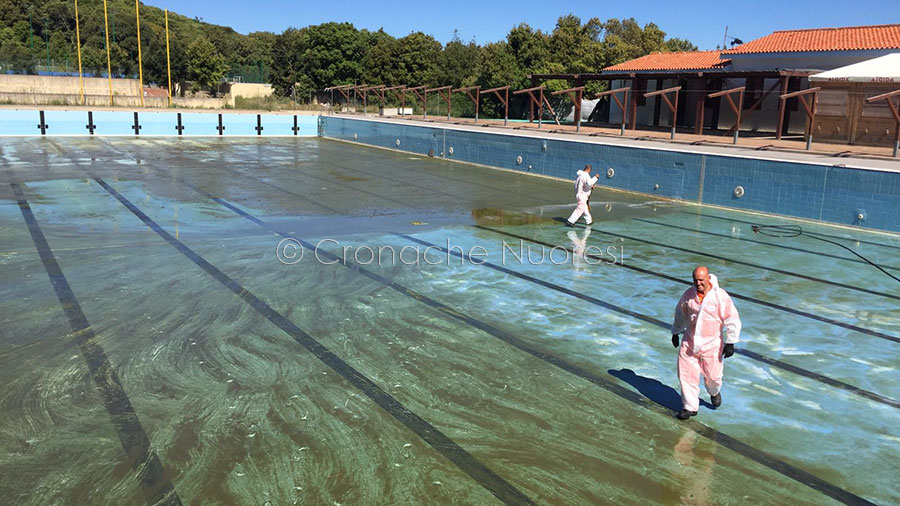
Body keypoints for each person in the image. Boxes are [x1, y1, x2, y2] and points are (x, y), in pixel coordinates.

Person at [671, 266, 741, 420]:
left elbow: (732, 318)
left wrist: (731, 341)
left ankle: (714, 392)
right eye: (695, 280)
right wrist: (675, 332)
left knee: (713, 377)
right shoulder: (689, 295)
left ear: (708, 278)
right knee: (686, 373)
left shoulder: (720, 296)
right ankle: (689, 406)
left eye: (701, 280)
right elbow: (680, 314)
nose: (698, 283)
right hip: (690, 341)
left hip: (712, 344)